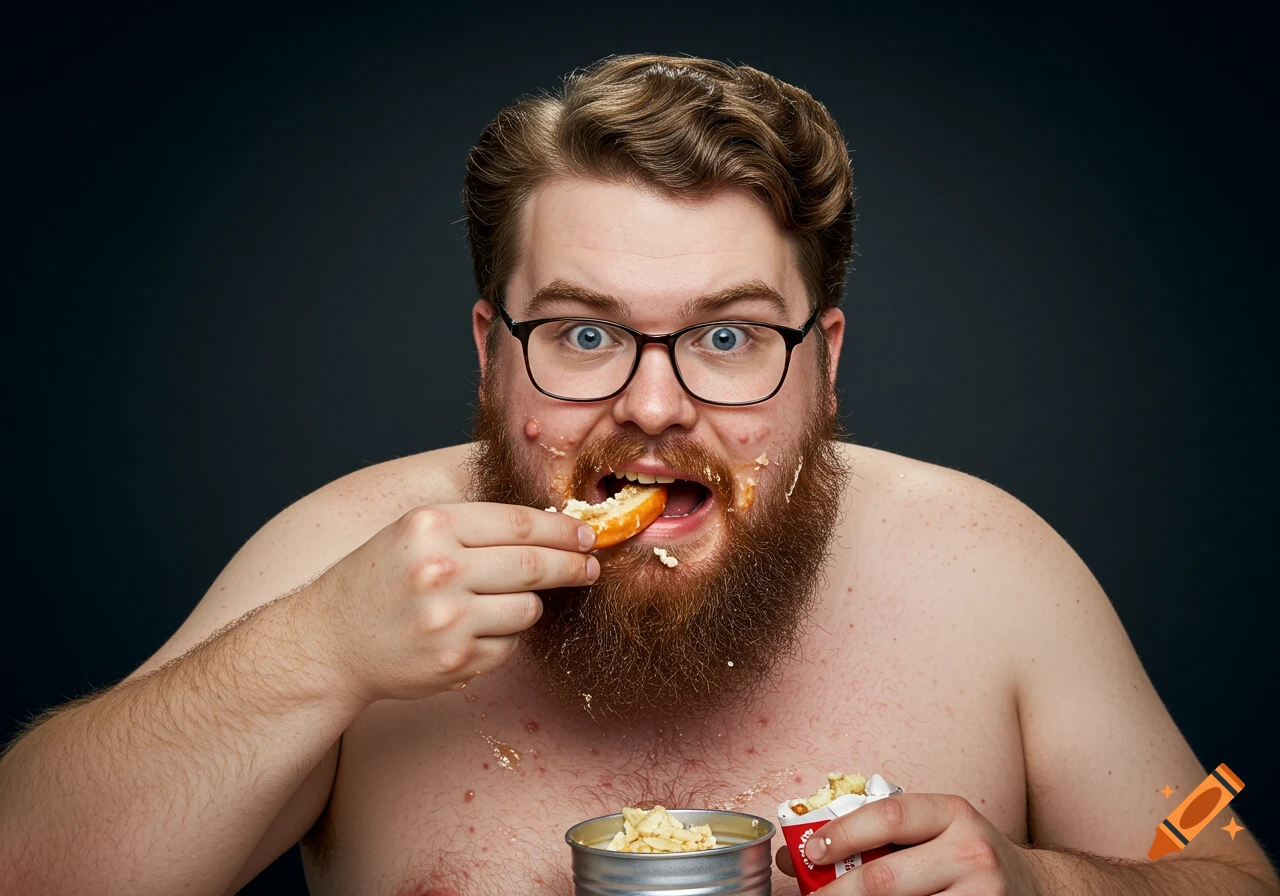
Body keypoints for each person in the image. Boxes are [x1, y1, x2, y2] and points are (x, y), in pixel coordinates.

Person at [1, 54, 1275, 896]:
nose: (653, 405)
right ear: (490, 350)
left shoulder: (994, 564)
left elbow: (1218, 862)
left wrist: (1042, 878)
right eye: (581, 334)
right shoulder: (347, 554)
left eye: (727, 337)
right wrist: (315, 649)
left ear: (823, 360)